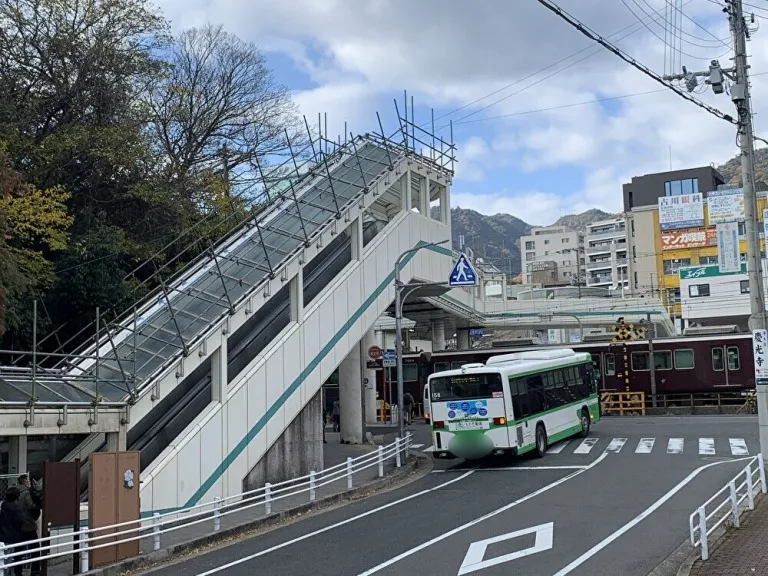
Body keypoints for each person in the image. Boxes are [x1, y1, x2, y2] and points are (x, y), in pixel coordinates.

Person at [18, 475, 41, 576]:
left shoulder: (15, 492)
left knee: (17, 550)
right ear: (25, 482)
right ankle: (35, 570)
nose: (29, 482)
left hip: (18, 525)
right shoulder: (27, 493)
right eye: (27, 480)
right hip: (28, 524)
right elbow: (31, 506)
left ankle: (17, 571)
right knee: (35, 548)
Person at [0, 486, 24, 576]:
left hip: (2, 534)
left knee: (3, 558)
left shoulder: (3, 504)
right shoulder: (16, 507)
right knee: (8, 559)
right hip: (11, 535)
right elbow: (20, 521)